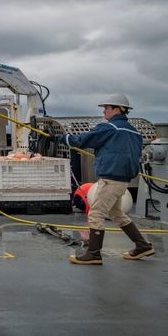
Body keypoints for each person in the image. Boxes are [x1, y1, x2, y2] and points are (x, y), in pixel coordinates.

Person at [57, 94, 154, 265]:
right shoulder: (134, 133)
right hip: (123, 181)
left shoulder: (110, 128)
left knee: (96, 214)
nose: (104, 111)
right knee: (116, 213)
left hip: (110, 180)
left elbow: (82, 140)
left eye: (107, 108)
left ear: (117, 109)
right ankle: (142, 245)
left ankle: (94, 254)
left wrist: (58, 138)